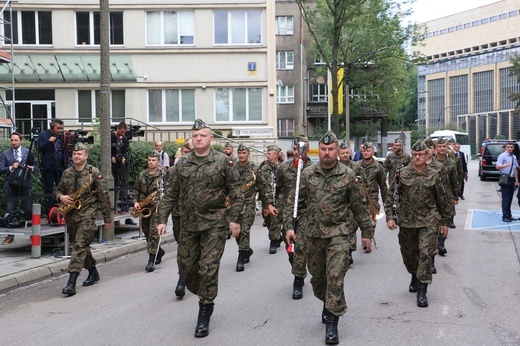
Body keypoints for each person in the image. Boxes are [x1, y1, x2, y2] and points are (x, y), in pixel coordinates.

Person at [157, 119, 243, 338]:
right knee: (185, 268)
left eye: (202, 135)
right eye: (194, 135)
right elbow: (170, 194)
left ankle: (205, 309)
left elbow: (236, 192)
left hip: (214, 224)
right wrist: (161, 220)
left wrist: (234, 220)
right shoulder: (182, 164)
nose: (198, 139)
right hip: (188, 225)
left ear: (211, 138)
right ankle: (205, 292)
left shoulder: (223, 162)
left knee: (208, 268)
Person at [285, 131, 373, 345]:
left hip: (339, 234)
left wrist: (367, 234)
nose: (327, 153)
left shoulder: (347, 175)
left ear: (337, 151)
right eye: (323, 149)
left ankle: (333, 323)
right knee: (318, 279)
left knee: (335, 276)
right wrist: (289, 227)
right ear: (318, 150)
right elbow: (295, 202)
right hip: (313, 235)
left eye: (331, 149)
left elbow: (358, 207)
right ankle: (327, 302)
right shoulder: (307, 174)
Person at [385, 140, 451, 308]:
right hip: (407, 222)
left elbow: (443, 199)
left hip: (428, 221)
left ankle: (423, 289)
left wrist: (444, 221)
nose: (417, 158)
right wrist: (390, 217)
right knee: (408, 255)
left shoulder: (434, 174)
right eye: (415, 155)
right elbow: (391, 195)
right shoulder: (402, 173)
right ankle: (414, 274)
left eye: (421, 155)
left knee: (426, 253)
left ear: (427, 155)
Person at [55, 143, 112, 296]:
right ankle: (93, 271)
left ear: (86, 156)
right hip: (71, 215)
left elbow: (103, 196)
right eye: (74, 154)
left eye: (79, 154)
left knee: (79, 245)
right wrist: (61, 197)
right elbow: (58, 189)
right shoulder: (67, 173)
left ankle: (71, 282)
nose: (76, 156)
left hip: (88, 213)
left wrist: (107, 218)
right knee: (80, 246)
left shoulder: (94, 173)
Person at [279, 135, 312, 299]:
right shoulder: (284, 168)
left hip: (305, 213)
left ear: (307, 150)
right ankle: (298, 268)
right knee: (290, 248)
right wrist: (271, 205)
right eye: (295, 149)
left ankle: (297, 280)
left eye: (301, 150)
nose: (298, 153)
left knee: (300, 247)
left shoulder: (313, 169)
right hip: (287, 212)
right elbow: (278, 190)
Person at [131, 151, 165, 272]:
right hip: (144, 207)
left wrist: (159, 204)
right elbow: (135, 189)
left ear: (158, 162)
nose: (151, 162)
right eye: (149, 160)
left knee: (153, 233)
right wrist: (135, 202)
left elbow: (166, 193)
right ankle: (159, 251)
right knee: (146, 232)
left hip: (156, 208)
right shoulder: (142, 175)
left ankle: (151, 260)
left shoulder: (162, 175)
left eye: (153, 160)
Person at [0, 132, 37, 245]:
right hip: (11, 186)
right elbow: (1, 170)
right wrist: (11, 167)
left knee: (29, 209)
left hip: (25, 185)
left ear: (20, 141)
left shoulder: (27, 152)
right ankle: (10, 236)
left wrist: (30, 168)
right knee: (10, 211)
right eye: (12, 140)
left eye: (16, 140)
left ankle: (33, 233)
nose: (13, 142)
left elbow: (36, 167)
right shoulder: (5, 154)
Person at [256, 144, 284, 254]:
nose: (266, 155)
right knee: (267, 219)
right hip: (266, 199)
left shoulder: (282, 168)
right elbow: (259, 182)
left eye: (269, 153)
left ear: (276, 155)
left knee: (275, 219)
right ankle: (277, 237)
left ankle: (273, 241)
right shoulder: (263, 168)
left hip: (279, 199)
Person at [338, 142, 363, 266]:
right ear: (338, 154)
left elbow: (361, 184)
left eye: (347, 153)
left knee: (352, 227)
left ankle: (349, 251)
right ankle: (343, 250)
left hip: (353, 200)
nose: (345, 155)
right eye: (342, 153)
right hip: (339, 202)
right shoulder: (335, 166)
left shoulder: (356, 166)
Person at [358, 142, 387, 241]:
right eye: (364, 151)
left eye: (368, 151)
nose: (365, 153)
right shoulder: (357, 166)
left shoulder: (378, 167)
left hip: (372, 199)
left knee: (371, 221)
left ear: (373, 152)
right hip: (358, 198)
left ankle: (368, 239)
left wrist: (386, 203)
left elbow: (383, 186)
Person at [234, 144, 256, 272]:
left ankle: (241, 257)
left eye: (244, 153)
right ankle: (247, 249)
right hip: (235, 205)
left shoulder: (254, 169)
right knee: (236, 232)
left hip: (248, 204)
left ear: (248, 154)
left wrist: (267, 204)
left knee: (245, 230)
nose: (241, 156)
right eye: (239, 153)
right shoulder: (232, 169)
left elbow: (263, 187)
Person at [38, 118, 66, 212]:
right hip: (48, 166)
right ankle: (49, 210)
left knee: (61, 187)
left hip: (60, 165)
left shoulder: (62, 136)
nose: (60, 130)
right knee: (49, 188)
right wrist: (49, 141)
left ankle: (61, 209)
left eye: (61, 128)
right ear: (52, 127)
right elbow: (39, 148)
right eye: (58, 128)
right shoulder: (43, 135)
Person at [496, 142, 519, 222]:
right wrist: (505, 165)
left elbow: (515, 169)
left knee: (510, 198)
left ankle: (509, 215)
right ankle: (505, 216)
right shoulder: (502, 156)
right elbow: (497, 167)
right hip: (505, 178)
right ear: (505, 148)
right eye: (508, 147)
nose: (509, 148)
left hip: (512, 179)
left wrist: (516, 180)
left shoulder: (514, 157)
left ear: (513, 148)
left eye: (511, 147)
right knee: (505, 199)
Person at [111, 122, 129, 211]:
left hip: (121, 164)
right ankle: (113, 205)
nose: (122, 134)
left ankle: (122, 204)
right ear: (117, 129)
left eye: (124, 132)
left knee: (122, 182)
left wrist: (124, 158)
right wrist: (111, 157)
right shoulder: (111, 137)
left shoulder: (124, 139)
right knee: (114, 184)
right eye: (121, 132)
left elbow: (125, 151)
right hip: (113, 166)